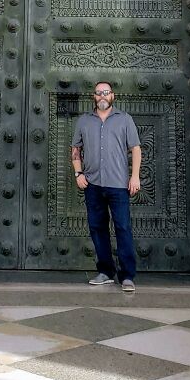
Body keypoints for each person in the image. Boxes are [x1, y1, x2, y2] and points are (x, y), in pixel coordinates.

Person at [71, 80, 141, 292]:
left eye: (106, 92)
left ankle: (127, 276)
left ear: (113, 96)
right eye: (98, 93)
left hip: (119, 184)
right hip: (93, 184)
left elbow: (135, 149)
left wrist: (135, 177)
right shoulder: (84, 121)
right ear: (94, 96)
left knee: (122, 228)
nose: (102, 96)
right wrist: (78, 173)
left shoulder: (125, 119)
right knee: (97, 228)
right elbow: (76, 149)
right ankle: (105, 272)